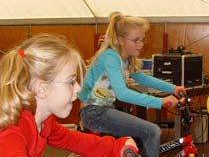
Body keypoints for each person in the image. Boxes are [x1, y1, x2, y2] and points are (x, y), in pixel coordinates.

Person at [0, 34, 138, 157]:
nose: (77, 89)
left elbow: (77, 140)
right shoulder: (12, 131)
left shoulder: (42, 121)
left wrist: (117, 146)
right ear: (42, 88)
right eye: (70, 81)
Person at [79, 12, 186, 157]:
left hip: (103, 109)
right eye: (136, 40)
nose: (141, 44)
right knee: (152, 131)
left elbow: (142, 78)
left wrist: (172, 88)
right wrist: (161, 101)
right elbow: (122, 93)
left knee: (144, 136)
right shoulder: (111, 57)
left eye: (142, 40)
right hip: (93, 113)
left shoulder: (126, 59)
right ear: (121, 40)